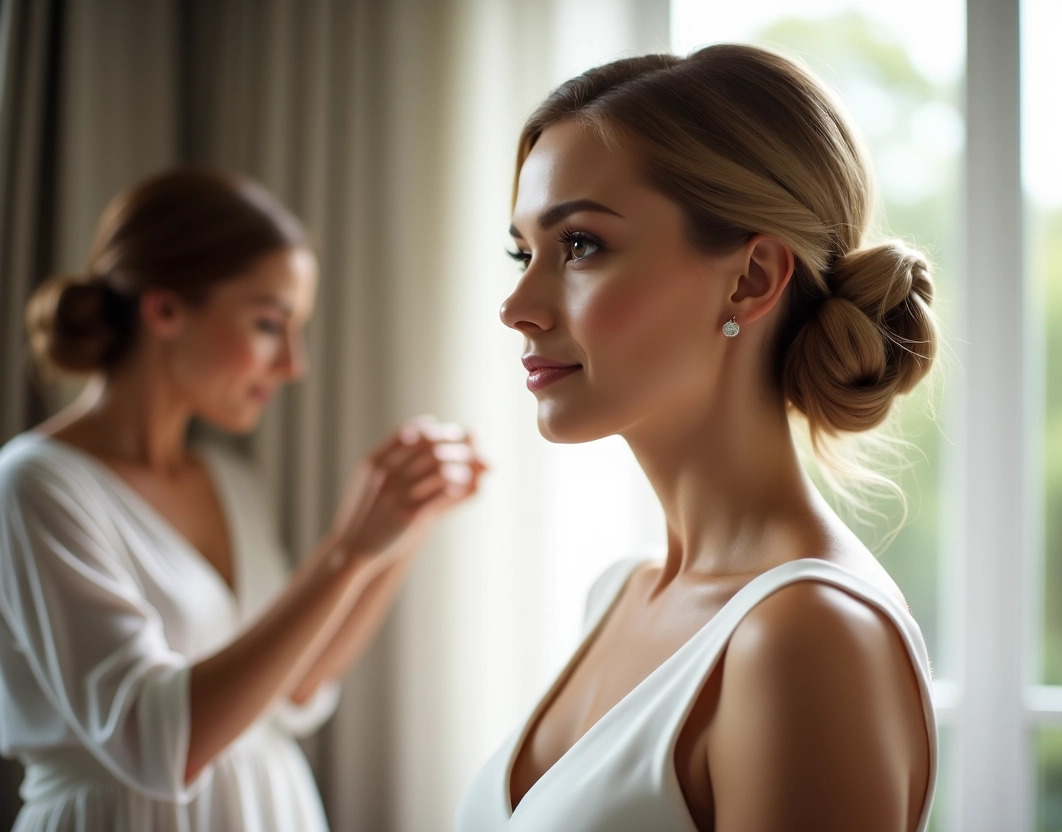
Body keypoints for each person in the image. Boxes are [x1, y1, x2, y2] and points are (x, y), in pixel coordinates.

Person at [457, 44, 938, 832]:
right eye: (522, 251)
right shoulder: (619, 593)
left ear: (750, 279)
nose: (517, 304)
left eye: (579, 245)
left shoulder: (807, 637)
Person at [0, 168, 487, 831]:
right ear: (164, 309)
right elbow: (157, 742)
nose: (293, 365)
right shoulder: (35, 485)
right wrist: (345, 549)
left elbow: (294, 687)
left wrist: (404, 525)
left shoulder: (230, 481)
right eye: (268, 323)